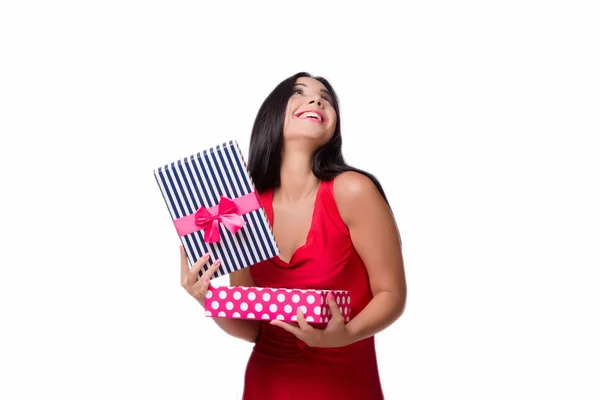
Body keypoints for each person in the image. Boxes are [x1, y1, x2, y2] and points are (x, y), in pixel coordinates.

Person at [179, 72, 407, 399]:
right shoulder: (244, 210)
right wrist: (206, 297)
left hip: (344, 387)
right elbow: (252, 326)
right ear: (273, 113)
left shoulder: (354, 191)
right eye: (300, 92)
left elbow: (391, 293)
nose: (317, 100)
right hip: (266, 386)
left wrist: (346, 334)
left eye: (326, 98)